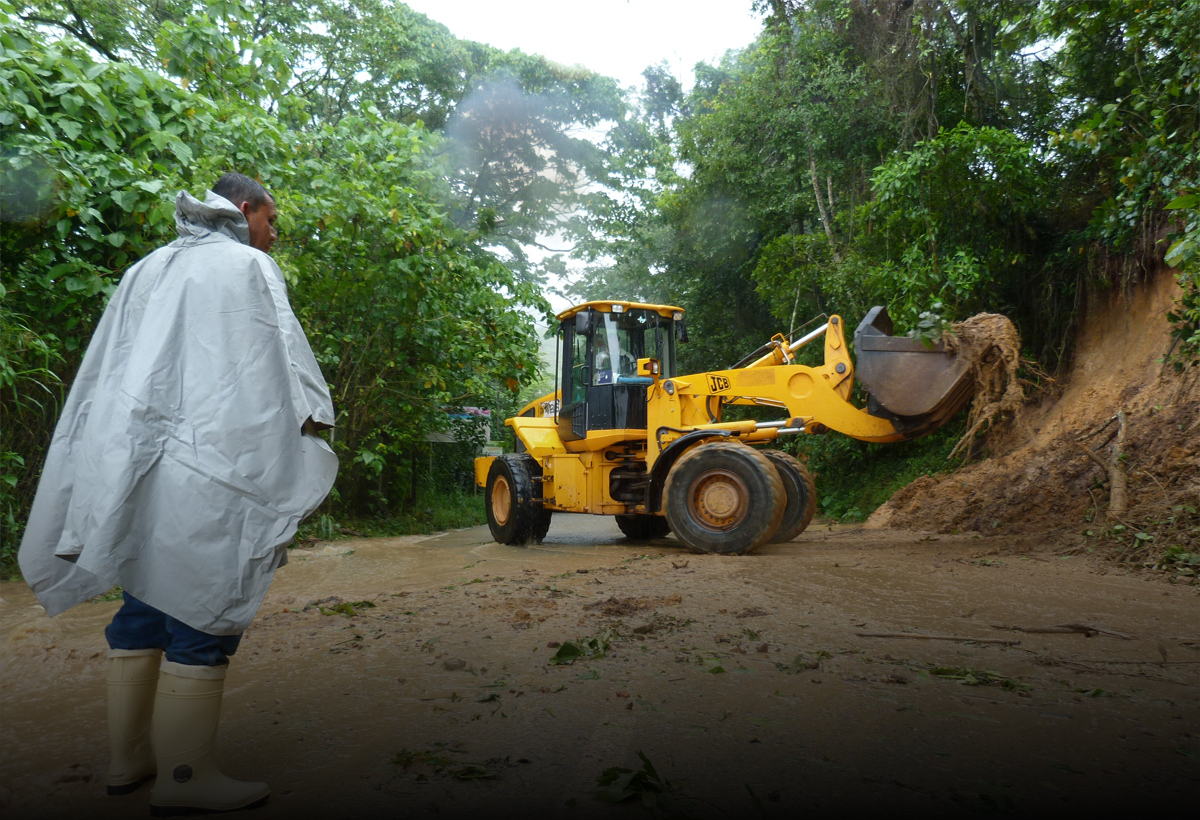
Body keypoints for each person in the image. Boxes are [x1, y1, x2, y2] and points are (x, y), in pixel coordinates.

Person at [17, 172, 338, 815]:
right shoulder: (247, 268)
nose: (274, 234)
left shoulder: (146, 269)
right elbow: (286, 369)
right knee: (205, 599)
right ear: (244, 210)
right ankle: (187, 776)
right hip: (213, 467)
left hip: (136, 460)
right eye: (271, 220)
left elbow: (110, 369)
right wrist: (309, 433)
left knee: (145, 597)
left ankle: (127, 760)